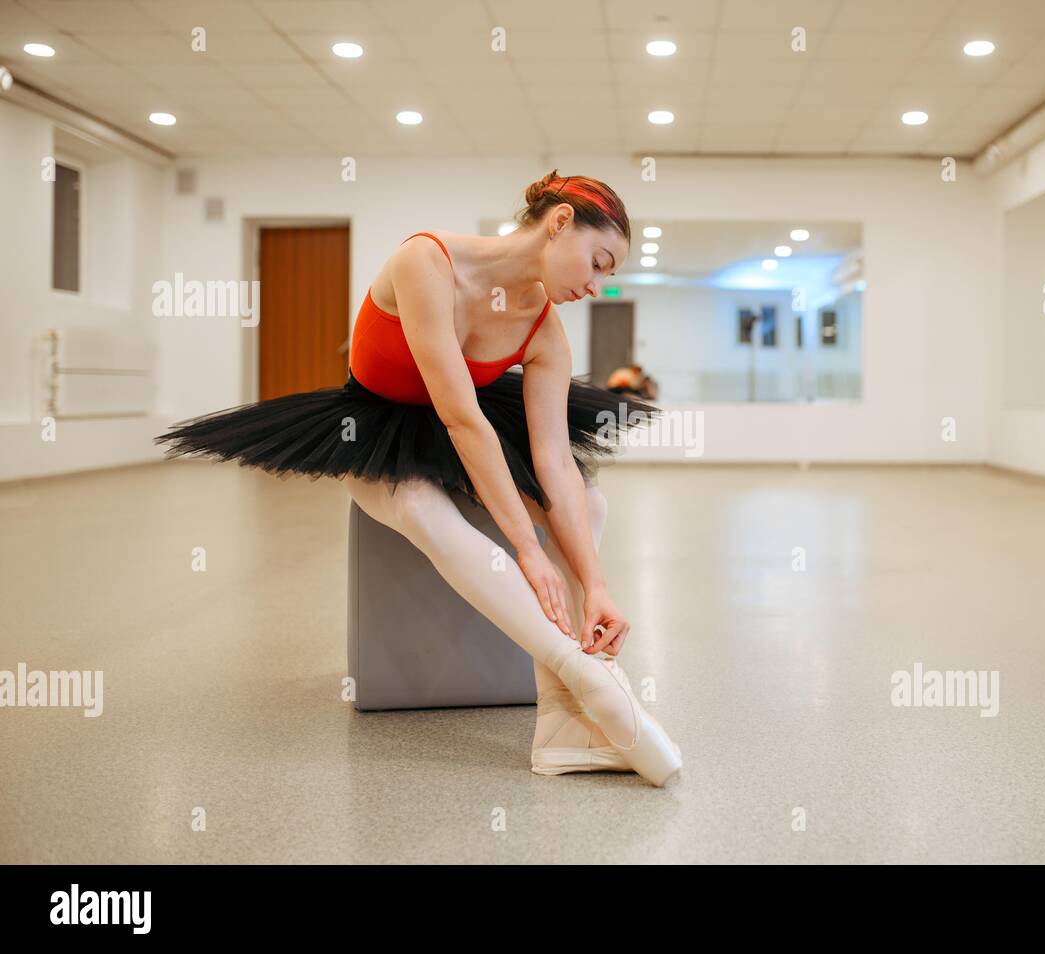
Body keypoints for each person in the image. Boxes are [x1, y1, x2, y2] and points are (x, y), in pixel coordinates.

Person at [154, 171, 682, 786]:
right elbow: (460, 418)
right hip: (382, 423)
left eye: (607, 275)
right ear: (559, 223)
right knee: (422, 509)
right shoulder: (425, 261)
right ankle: (588, 677)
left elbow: (553, 460)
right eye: (598, 263)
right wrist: (524, 548)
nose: (596, 286)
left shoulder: (545, 332)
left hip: (477, 423)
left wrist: (596, 586)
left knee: (587, 504)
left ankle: (562, 726)